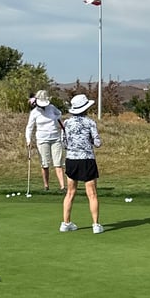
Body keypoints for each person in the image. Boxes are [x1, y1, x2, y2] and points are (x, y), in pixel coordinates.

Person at [60, 94, 103, 233]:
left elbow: (64, 143)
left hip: (71, 160)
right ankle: (96, 225)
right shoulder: (90, 122)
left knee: (70, 192)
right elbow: (98, 143)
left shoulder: (66, 123)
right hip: (87, 160)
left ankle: (65, 223)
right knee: (92, 194)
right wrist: (89, 141)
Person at [25, 90, 65, 192]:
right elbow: (29, 127)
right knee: (45, 164)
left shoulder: (51, 108)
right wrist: (28, 139)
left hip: (56, 138)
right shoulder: (34, 113)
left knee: (58, 163)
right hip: (42, 140)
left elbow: (59, 113)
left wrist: (56, 119)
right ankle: (46, 186)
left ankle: (62, 186)